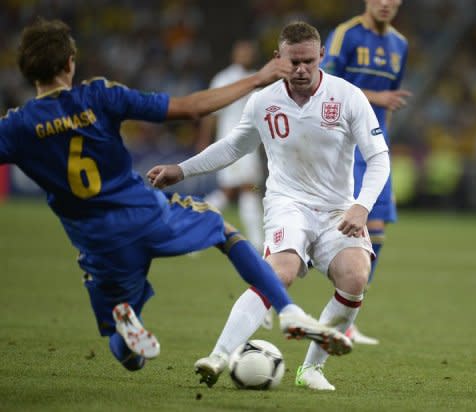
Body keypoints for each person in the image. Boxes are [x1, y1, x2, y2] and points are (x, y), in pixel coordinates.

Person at [0, 18, 348, 373]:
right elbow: (191, 108)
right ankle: (288, 310)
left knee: (128, 357)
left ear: (26, 71)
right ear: (70, 62)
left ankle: (126, 322)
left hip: (96, 242)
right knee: (224, 233)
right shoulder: (99, 95)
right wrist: (259, 78)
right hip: (145, 213)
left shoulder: (15, 128)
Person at [147, 21, 390, 390]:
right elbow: (232, 146)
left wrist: (362, 206)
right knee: (281, 272)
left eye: (309, 60)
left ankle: (311, 369)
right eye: (294, 61)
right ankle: (218, 355)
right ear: (279, 59)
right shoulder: (264, 100)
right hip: (287, 202)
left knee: (356, 278)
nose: (302, 69)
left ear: (322, 55)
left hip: (338, 209)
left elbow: (379, 158)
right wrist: (181, 170)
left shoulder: (348, 96)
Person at [320, 0, 411, 345]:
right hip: (344, 144)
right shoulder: (346, 35)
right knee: (358, 226)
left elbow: (392, 99)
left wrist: (385, 139)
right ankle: (339, 311)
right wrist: (377, 96)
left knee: (378, 228)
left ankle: (346, 316)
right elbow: (325, 82)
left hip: (376, 146)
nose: (386, 3)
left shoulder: (399, 44)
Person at [196, 40, 265, 252]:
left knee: (244, 190)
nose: (246, 55)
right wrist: (204, 139)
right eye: (242, 51)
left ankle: (193, 233)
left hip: (249, 145)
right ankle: (194, 231)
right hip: (231, 142)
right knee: (241, 190)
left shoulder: (257, 78)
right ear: (235, 55)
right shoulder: (224, 78)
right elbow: (210, 111)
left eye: (249, 51)